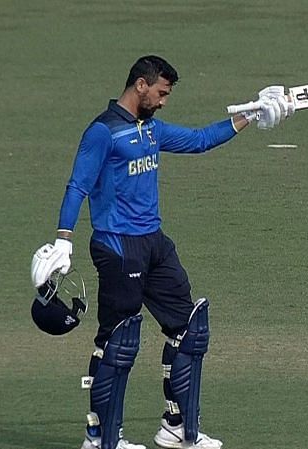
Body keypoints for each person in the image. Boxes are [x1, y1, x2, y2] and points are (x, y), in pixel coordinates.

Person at [31, 55, 293, 449]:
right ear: (141, 85)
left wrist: (251, 114)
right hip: (117, 246)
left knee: (190, 329)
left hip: (154, 244)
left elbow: (200, 140)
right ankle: (100, 438)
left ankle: (177, 428)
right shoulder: (103, 132)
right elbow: (77, 186)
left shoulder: (150, 129)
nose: (164, 101)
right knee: (118, 342)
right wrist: (64, 239)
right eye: (161, 92)